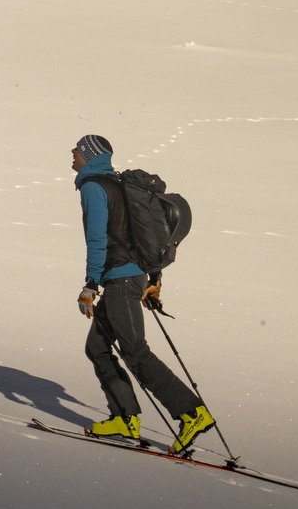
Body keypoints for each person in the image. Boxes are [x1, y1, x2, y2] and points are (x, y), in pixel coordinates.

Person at [72, 133, 214, 453]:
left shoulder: (95, 187)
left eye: (77, 150)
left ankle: (192, 413)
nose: (72, 153)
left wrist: (90, 284)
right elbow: (138, 233)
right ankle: (125, 418)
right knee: (97, 347)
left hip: (121, 281)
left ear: (89, 155)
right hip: (127, 278)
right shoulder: (117, 184)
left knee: (135, 351)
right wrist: (153, 277)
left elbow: (97, 239)